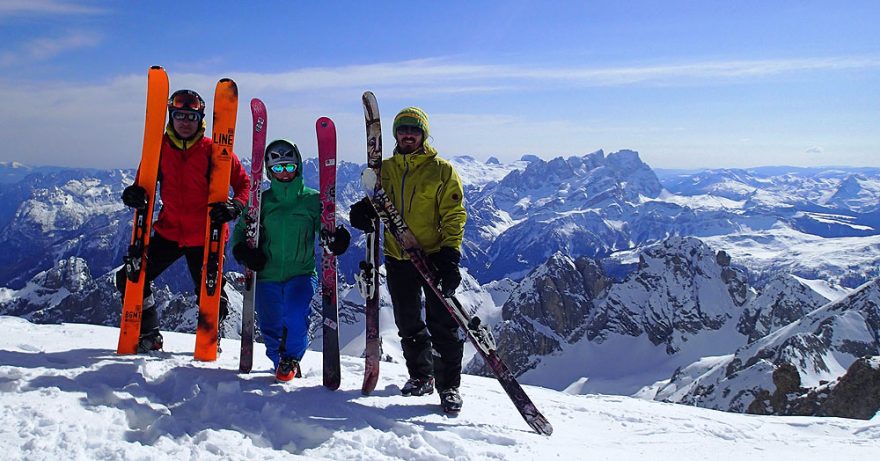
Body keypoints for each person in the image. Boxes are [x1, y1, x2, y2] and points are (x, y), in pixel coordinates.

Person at [348, 106, 467, 413]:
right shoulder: (384, 170)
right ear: (396, 134)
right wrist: (363, 210)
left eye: (414, 130)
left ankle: (449, 386)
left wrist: (450, 255)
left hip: (432, 257)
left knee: (442, 323)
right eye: (403, 130)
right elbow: (376, 201)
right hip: (398, 255)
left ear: (423, 134)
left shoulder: (441, 170)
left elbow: (454, 215)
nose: (408, 135)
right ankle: (420, 377)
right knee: (408, 322)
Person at [118, 89, 250, 353]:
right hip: (170, 231)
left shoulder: (216, 152)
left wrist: (235, 207)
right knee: (129, 278)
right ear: (171, 117)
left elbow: (244, 184)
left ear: (200, 118)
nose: (185, 121)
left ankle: (212, 336)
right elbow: (142, 185)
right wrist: (132, 194)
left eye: (191, 116)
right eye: (180, 115)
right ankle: (149, 333)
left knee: (210, 294)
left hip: (205, 235)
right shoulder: (159, 151)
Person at [231, 139, 350, 382]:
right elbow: (240, 232)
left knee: (296, 315)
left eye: (288, 167)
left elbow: (327, 229)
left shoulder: (311, 200)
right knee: (270, 325)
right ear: (269, 171)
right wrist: (243, 251)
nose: (284, 173)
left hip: (302, 273)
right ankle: (280, 362)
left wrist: (338, 238)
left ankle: (292, 358)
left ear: (297, 167)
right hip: (267, 275)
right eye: (277, 168)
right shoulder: (260, 202)